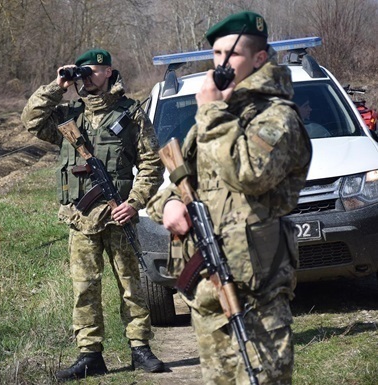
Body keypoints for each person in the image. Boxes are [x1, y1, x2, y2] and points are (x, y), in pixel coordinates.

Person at [146, 11, 312, 385]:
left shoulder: (276, 116)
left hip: (257, 294)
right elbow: (176, 182)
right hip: (208, 292)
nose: (221, 63)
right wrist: (169, 205)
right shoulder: (215, 117)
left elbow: (250, 174)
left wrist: (210, 113)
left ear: (260, 59)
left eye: (231, 54)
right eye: (216, 54)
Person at [21, 48, 165, 381]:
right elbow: (30, 120)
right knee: (84, 289)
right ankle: (90, 354)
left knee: (131, 285)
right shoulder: (68, 115)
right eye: (81, 71)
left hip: (119, 216)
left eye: (92, 71)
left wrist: (135, 201)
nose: (86, 77)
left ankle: (140, 348)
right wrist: (58, 86)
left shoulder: (130, 114)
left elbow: (151, 164)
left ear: (109, 72)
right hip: (81, 220)